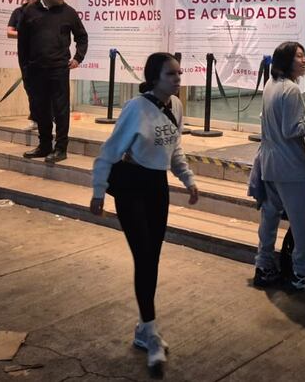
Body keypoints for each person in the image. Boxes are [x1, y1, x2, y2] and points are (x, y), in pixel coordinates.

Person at [89, 52, 199, 374]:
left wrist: (188, 179)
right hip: (131, 186)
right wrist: (98, 191)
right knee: (145, 257)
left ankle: (143, 328)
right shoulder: (136, 109)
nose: (178, 79)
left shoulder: (176, 107)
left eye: (179, 73)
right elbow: (109, 152)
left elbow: (174, 149)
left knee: (153, 256)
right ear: (154, 78)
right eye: (171, 75)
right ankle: (150, 332)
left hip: (157, 187)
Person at [253, 41, 305, 291]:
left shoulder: (270, 86)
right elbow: (292, 130)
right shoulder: (291, 91)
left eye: (304, 55)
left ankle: (264, 265)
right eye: (298, 56)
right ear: (286, 61)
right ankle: (302, 274)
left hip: (269, 163)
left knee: (270, 217)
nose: (304, 60)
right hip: (292, 167)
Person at [17, 0, 88, 163]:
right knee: (40, 109)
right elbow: (22, 43)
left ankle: (61, 148)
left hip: (59, 69)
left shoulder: (69, 12)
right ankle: (44, 146)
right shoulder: (29, 12)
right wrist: (25, 68)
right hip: (36, 70)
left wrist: (78, 58)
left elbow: (82, 36)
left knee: (61, 110)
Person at [6, 0, 44, 130]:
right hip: (26, 57)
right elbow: (9, 32)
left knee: (44, 89)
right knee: (30, 88)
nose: (38, 0)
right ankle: (35, 119)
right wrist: (25, 35)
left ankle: (47, 119)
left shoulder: (46, 13)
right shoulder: (19, 12)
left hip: (43, 55)